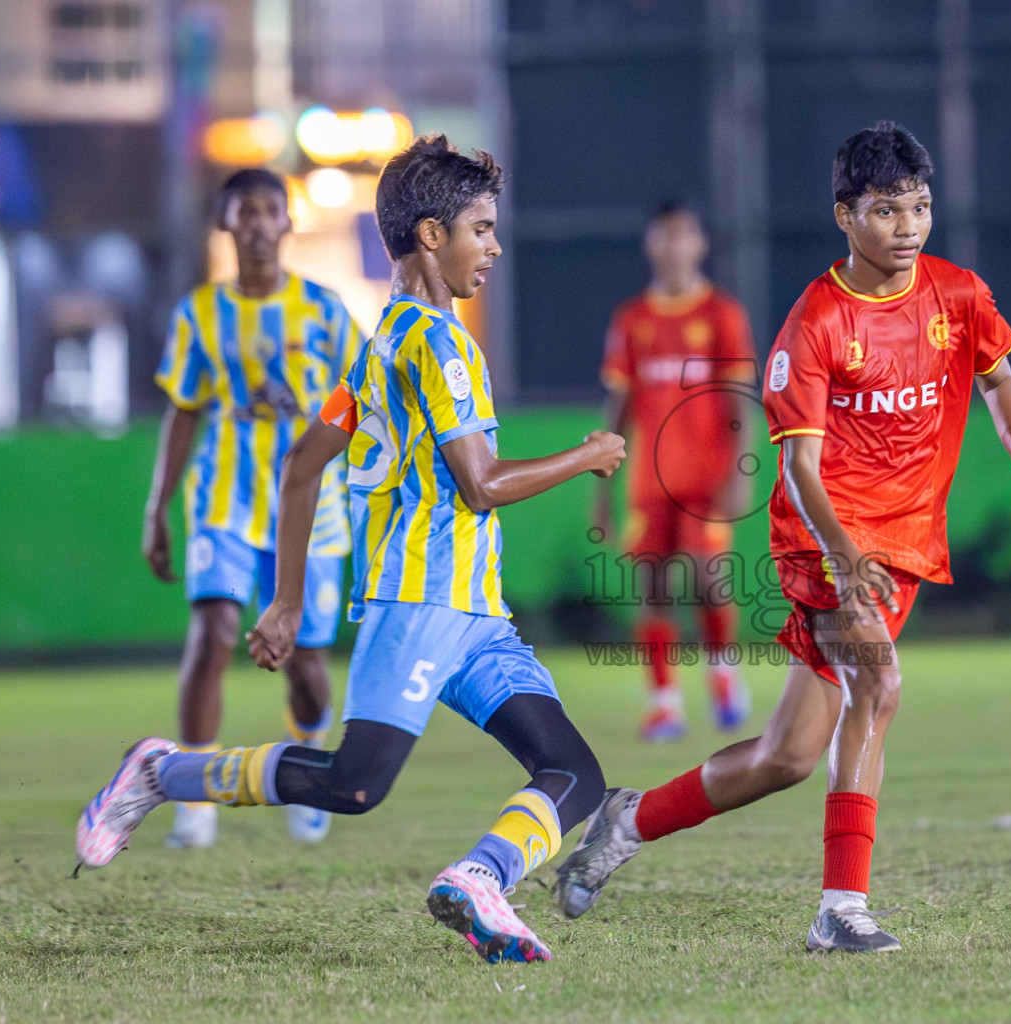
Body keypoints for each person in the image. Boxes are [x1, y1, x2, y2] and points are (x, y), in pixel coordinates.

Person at [77, 135, 628, 965]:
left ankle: (480, 878)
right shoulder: (437, 348)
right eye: (482, 228)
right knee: (355, 784)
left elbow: (303, 464)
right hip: (420, 600)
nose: (495, 246)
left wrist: (288, 598)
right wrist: (588, 456)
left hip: (474, 615)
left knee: (573, 771)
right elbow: (480, 483)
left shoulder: (381, 345)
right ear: (433, 236)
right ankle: (162, 773)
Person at [555, 121, 1011, 953]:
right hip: (826, 544)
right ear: (844, 216)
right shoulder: (817, 324)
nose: (907, 227)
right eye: (886, 211)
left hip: (899, 547)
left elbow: (999, 378)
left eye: (921, 208)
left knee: (787, 757)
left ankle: (628, 822)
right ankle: (841, 910)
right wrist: (839, 552)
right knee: (880, 686)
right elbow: (798, 470)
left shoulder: (957, 295)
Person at [144, 168, 361, 849]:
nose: (260, 223)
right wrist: (157, 508)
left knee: (304, 663)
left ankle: (306, 768)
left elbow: (366, 399)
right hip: (223, 500)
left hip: (314, 509)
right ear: (224, 223)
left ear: (289, 223)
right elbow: (184, 412)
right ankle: (194, 800)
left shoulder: (325, 312)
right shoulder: (199, 314)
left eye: (272, 210)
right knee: (211, 633)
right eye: (247, 211)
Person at [596, 203, 757, 741]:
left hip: (707, 478)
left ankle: (723, 678)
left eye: (681, 236)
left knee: (709, 580)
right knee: (653, 587)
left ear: (698, 244)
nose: (672, 247)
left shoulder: (722, 315)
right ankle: (665, 703)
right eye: (662, 237)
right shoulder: (632, 319)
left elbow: (739, 401)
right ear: (650, 245)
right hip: (649, 482)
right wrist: (603, 487)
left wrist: (741, 470)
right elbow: (618, 405)